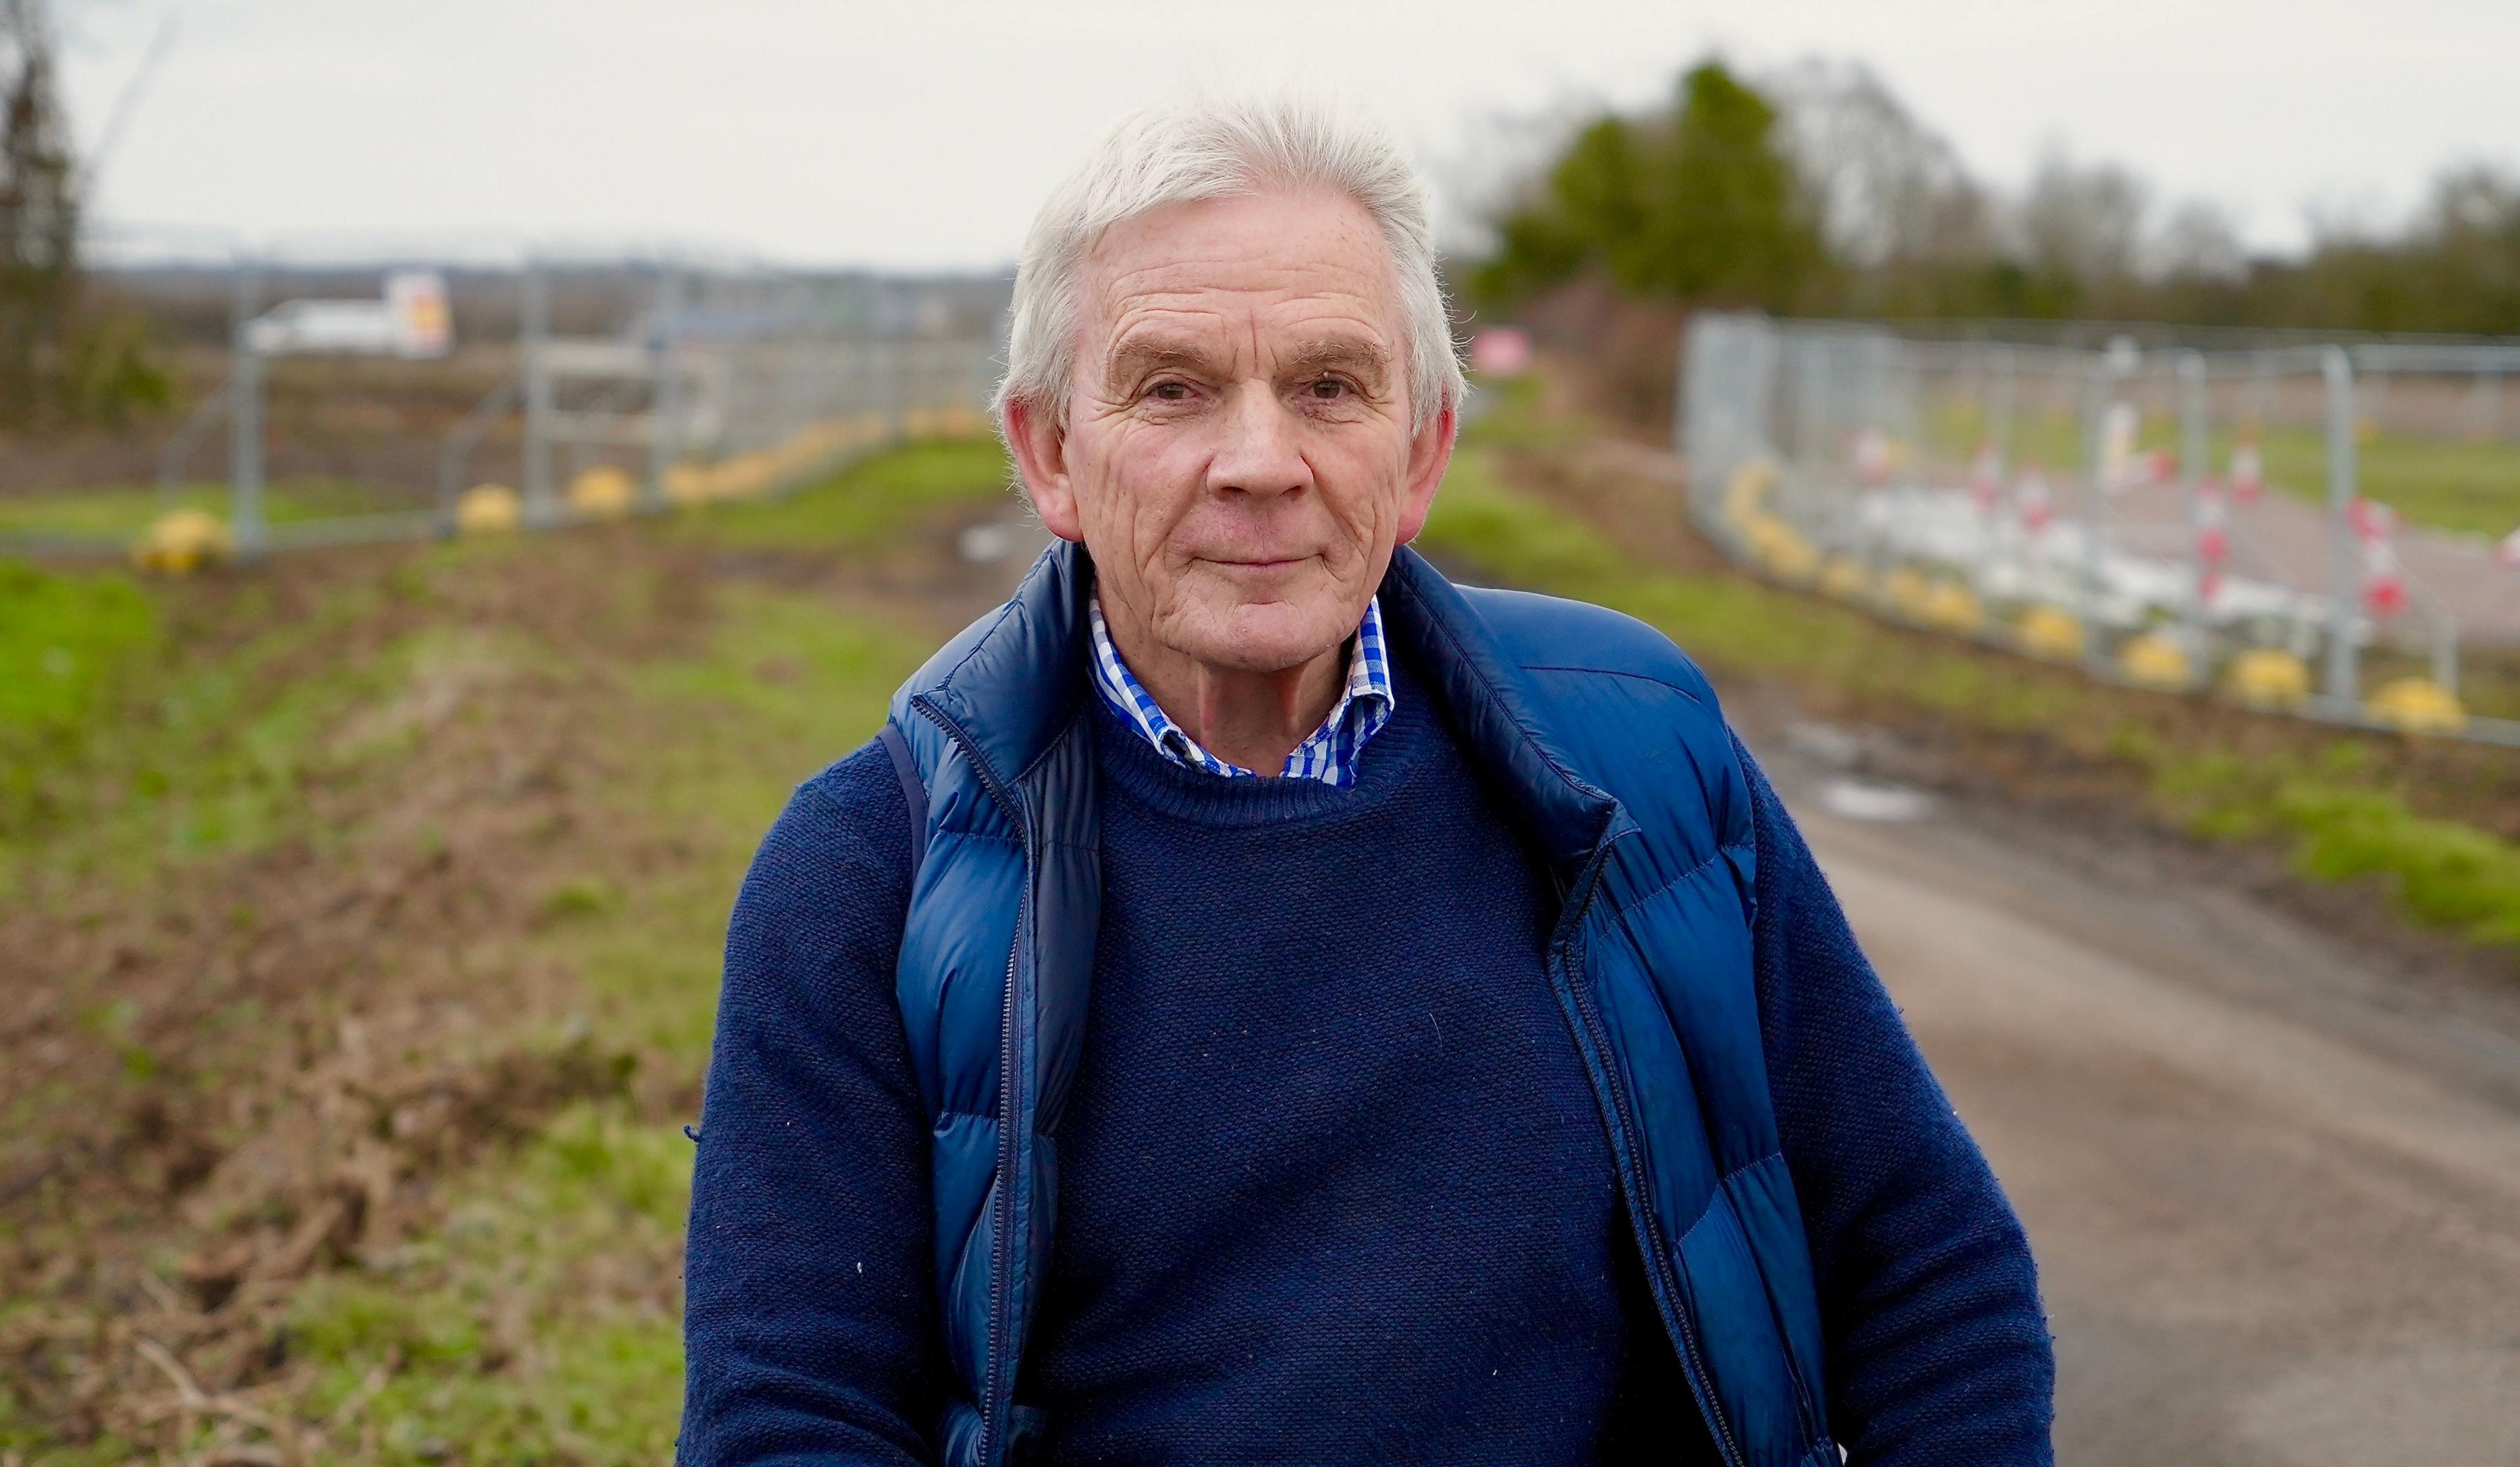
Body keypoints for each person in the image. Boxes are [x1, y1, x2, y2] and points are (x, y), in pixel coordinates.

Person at [679, 92, 2053, 1467]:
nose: (1261, 464)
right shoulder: (869, 870)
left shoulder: (1647, 761)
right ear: (1048, 453)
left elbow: (1932, 1270)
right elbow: (794, 1418)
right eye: (1174, 389)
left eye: (1331, 388)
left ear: (1421, 453)